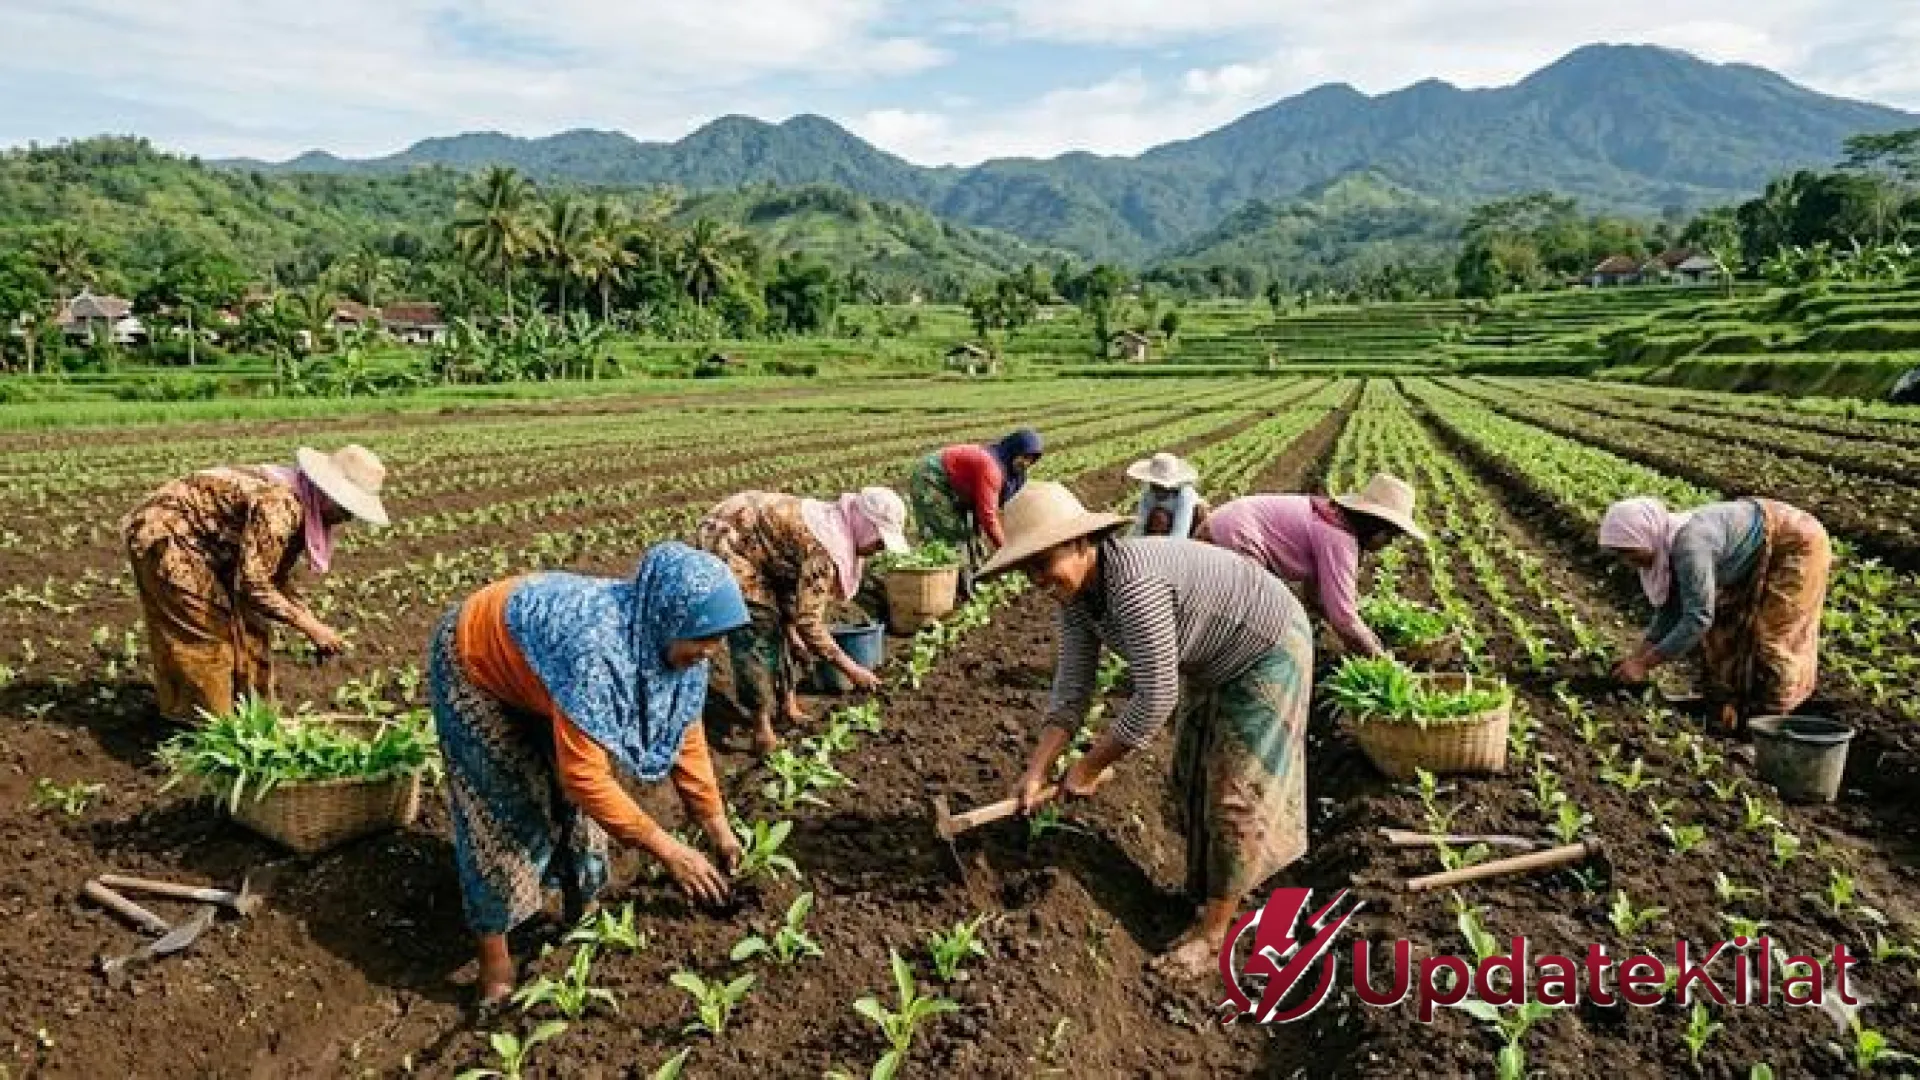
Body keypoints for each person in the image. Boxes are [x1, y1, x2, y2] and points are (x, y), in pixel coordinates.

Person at [981, 482, 1315, 979]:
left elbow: (1157, 696)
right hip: (1210, 658)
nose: (1037, 579)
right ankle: (1203, 893)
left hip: (1267, 647)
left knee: (1234, 793)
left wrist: (1091, 766)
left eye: (1042, 563)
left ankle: (1214, 931)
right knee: (1191, 775)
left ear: (1081, 544)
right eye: (1026, 569)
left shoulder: (1133, 586)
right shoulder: (1077, 601)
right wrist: (1037, 771)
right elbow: (1072, 688)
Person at [427, 542, 750, 1007]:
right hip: (475, 664)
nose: (710, 651)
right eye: (703, 638)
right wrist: (666, 849)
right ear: (669, 618)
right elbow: (586, 777)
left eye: (717, 638)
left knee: (575, 807)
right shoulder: (596, 652)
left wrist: (717, 827)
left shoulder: (677, 646)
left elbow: (686, 736)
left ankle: (583, 907)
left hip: (541, 670)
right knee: (499, 810)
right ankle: (493, 957)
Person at [122, 445, 389, 723]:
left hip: (212, 546)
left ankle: (254, 721)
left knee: (251, 629)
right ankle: (204, 730)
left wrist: (308, 618)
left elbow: (273, 575)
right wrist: (310, 627)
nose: (348, 517)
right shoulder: (280, 506)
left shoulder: (299, 499)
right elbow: (254, 585)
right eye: (347, 507)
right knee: (206, 633)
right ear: (328, 493)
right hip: (169, 537)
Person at [694, 488, 911, 753]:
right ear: (866, 527)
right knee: (758, 629)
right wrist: (852, 670)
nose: (878, 550)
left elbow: (795, 606)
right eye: (879, 542)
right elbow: (809, 622)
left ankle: (788, 706)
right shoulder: (825, 549)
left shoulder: (837, 525)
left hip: (768, 552)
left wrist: (793, 633)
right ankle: (761, 728)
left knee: (782, 624)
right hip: (729, 539)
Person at [1599, 496, 1831, 733]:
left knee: (1771, 638)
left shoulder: (1690, 547)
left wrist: (1644, 664)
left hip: (1796, 543)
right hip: (1759, 544)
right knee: (1725, 627)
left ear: (1644, 534)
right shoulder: (1665, 543)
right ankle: (1726, 707)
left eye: (1629, 552)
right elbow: (1671, 608)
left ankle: (1770, 721)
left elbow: (1697, 618)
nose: (1628, 562)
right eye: (1620, 554)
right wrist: (1636, 657)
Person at [1201, 474, 1428, 658]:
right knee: (1251, 622)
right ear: (1378, 527)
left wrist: (1362, 632)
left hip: (1224, 522)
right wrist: (1380, 658)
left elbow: (1315, 597)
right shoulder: (1339, 538)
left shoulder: (1330, 518)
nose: (1387, 545)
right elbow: (1344, 619)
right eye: (1389, 537)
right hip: (1236, 536)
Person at [907, 429, 1044, 573]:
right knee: (949, 535)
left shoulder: (1014, 474)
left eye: (1032, 459)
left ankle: (973, 576)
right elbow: (988, 516)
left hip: (956, 485)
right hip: (930, 477)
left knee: (970, 534)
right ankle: (946, 582)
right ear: (1014, 450)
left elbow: (1001, 509)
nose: (1026, 463)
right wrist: (1007, 551)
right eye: (1024, 456)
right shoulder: (991, 469)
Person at [1127, 452, 1210, 539]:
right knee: (1159, 517)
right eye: (1154, 484)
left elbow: (1180, 530)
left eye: (1160, 485)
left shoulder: (1184, 495)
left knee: (1200, 513)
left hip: (1192, 523)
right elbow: (1140, 523)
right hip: (1166, 525)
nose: (1157, 488)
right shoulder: (1148, 493)